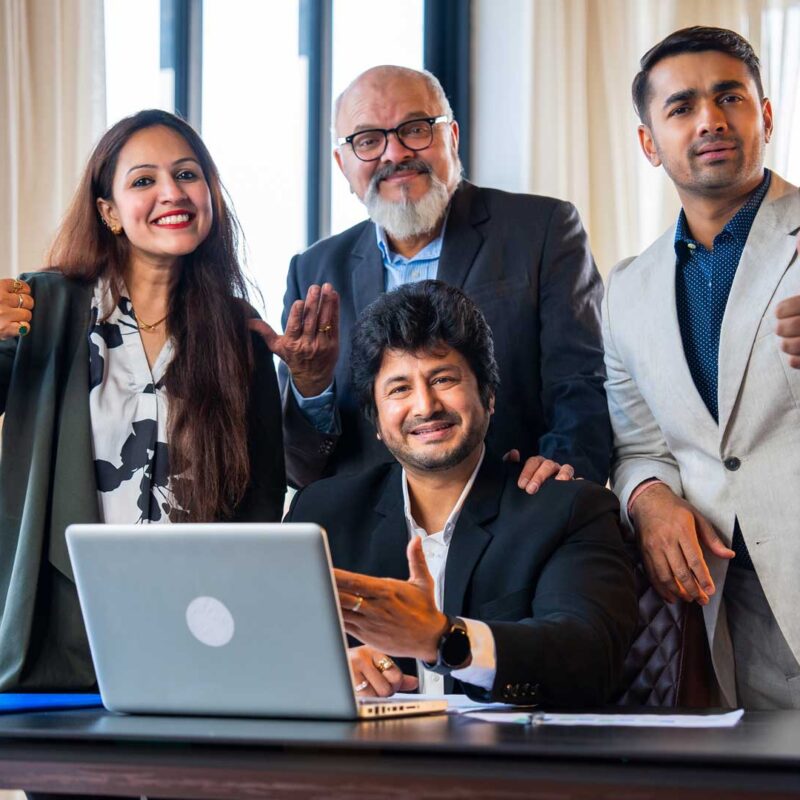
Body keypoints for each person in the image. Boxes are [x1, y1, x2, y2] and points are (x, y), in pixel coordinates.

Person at [0, 109, 285, 694]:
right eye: (143, 180)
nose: (171, 193)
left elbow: (260, 502)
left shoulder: (238, 330)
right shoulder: (45, 305)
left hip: (198, 639)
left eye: (187, 174)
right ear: (109, 211)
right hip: (59, 641)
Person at [252, 65, 611, 491]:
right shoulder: (313, 270)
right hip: (365, 525)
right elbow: (300, 470)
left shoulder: (542, 229)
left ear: (452, 137)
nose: (394, 153)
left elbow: (581, 383)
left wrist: (560, 488)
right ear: (342, 164)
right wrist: (311, 388)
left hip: (515, 509)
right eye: (367, 140)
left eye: (415, 129)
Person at [286, 280, 636, 705]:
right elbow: (270, 644)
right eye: (399, 388)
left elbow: (590, 656)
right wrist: (327, 668)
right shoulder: (323, 515)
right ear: (376, 420)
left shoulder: (567, 509)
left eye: (443, 379)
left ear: (488, 396)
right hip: (367, 748)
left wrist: (445, 639)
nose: (425, 406)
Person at [604, 26, 800, 708]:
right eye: (682, 107)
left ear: (765, 116)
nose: (710, 120)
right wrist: (648, 499)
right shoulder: (626, 291)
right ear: (649, 143)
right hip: (729, 616)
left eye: (729, 98)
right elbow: (638, 446)